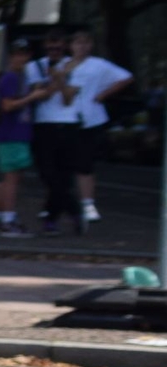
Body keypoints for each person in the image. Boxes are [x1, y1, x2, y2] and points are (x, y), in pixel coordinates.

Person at [59, 29, 133, 225]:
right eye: (77, 43)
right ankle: (62, 202)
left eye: (85, 43)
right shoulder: (63, 65)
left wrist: (103, 94)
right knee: (63, 163)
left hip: (90, 119)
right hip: (63, 118)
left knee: (85, 163)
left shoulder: (98, 65)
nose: (81, 47)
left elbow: (125, 77)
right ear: (71, 46)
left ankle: (87, 203)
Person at [23, 29, 81, 235]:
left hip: (68, 124)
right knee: (47, 173)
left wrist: (59, 79)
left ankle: (51, 218)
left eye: (58, 48)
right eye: (50, 48)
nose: (54, 51)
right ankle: (74, 209)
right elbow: (42, 96)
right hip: (44, 125)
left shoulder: (76, 66)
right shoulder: (35, 67)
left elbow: (68, 98)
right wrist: (55, 78)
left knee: (65, 175)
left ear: (64, 47)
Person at [0, 40, 38, 235]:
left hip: (16, 134)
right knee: (12, 179)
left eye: (24, 54)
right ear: (11, 57)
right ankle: (8, 219)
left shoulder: (21, 77)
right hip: (10, 134)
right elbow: (7, 106)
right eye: (17, 54)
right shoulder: (10, 78)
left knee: (9, 178)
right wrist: (33, 96)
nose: (21, 58)